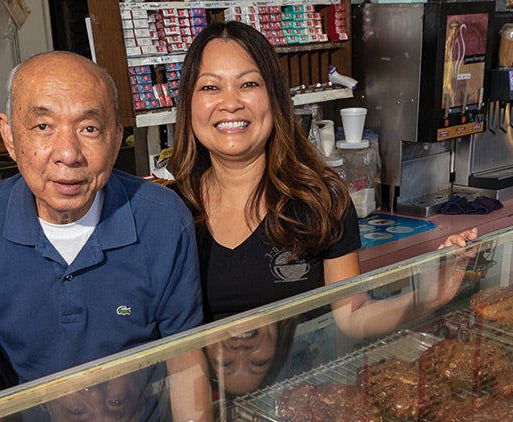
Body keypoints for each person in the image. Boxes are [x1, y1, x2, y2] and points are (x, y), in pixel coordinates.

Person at [169, 21, 479, 342]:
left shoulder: (321, 199)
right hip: (202, 390)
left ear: (275, 99)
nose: (230, 102)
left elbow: (353, 315)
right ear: (188, 103)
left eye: (248, 84)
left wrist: (426, 296)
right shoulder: (167, 212)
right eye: (210, 87)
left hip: (304, 389)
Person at [0, 51, 212, 420]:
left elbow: (185, 358)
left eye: (89, 128)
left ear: (117, 140)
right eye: (43, 127)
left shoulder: (162, 220)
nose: (68, 154)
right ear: (8, 135)